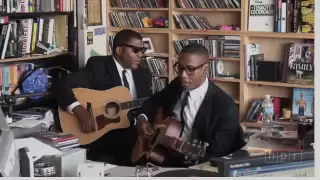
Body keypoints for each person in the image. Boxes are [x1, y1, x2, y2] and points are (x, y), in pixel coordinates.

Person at [53, 29, 153, 165]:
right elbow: (62, 85)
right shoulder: (98, 66)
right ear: (119, 50)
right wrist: (80, 111)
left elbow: (149, 103)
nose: (140, 55)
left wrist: (143, 118)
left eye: (142, 50)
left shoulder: (144, 74)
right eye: (136, 50)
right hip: (101, 135)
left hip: (133, 133)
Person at [136, 43, 245, 167]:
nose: (183, 75)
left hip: (196, 164)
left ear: (205, 69)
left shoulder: (225, 108)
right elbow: (153, 101)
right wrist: (142, 119)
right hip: (162, 153)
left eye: (190, 69)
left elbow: (218, 154)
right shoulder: (177, 85)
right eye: (180, 68)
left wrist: (185, 154)